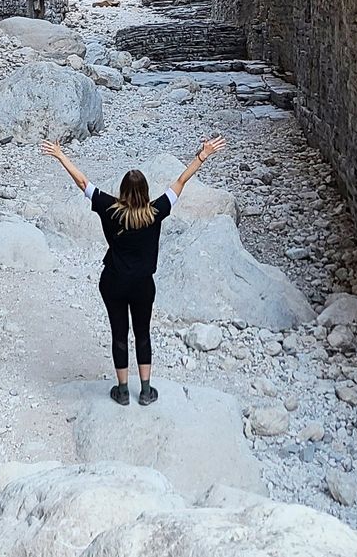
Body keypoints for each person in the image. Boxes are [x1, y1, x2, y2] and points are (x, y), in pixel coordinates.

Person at [40, 136, 228, 405]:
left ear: (123, 191)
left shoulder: (110, 209)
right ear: (146, 192)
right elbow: (180, 183)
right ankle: (147, 390)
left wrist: (60, 155)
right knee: (142, 333)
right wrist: (202, 155)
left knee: (119, 333)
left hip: (113, 282)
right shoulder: (156, 212)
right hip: (143, 285)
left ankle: (123, 390)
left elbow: (83, 182)